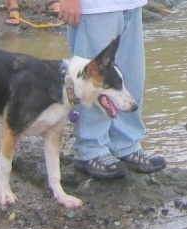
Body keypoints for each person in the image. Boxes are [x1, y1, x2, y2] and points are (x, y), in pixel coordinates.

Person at [58, 0, 166, 178]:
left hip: (131, 4)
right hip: (95, 6)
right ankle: (90, 148)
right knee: (93, 80)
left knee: (130, 76)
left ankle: (126, 143)